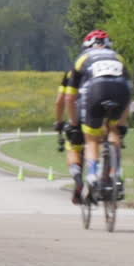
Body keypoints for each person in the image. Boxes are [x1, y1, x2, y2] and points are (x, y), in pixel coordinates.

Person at [61, 30, 133, 201]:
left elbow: (69, 97)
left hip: (95, 90)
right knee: (114, 130)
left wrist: (73, 122)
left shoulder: (82, 58)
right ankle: (117, 174)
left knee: (91, 139)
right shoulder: (118, 57)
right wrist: (122, 124)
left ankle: (93, 175)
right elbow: (130, 93)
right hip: (120, 90)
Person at [54, 71, 86, 204]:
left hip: (78, 116)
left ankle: (78, 177)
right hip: (102, 114)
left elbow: (60, 101)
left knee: (73, 148)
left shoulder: (72, 72)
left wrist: (59, 122)